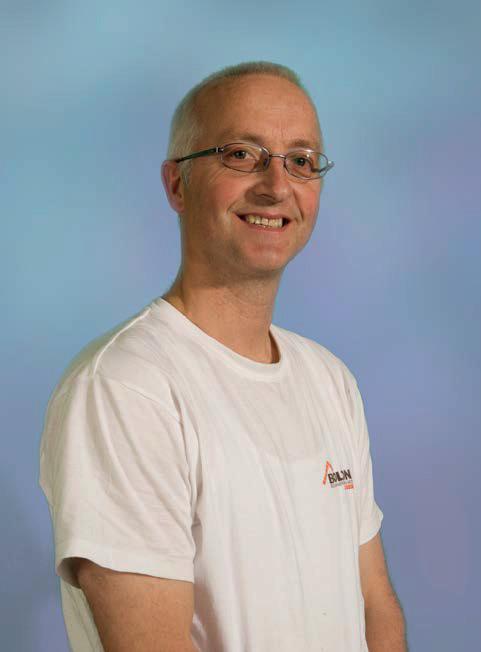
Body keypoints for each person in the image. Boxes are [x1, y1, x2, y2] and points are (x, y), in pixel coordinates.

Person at [39, 60, 408, 651]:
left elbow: (375, 606)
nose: (276, 186)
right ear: (177, 185)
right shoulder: (125, 388)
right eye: (242, 154)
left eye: (301, 161)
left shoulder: (330, 380)